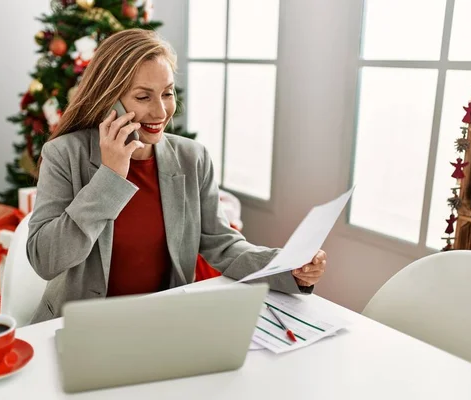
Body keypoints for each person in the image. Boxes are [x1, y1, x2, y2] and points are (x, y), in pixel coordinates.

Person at [26, 28, 327, 324]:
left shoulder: (192, 158)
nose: (161, 111)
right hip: (80, 330)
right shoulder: (64, 155)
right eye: (143, 97)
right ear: (110, 100)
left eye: (167, 93)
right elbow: (46, 260)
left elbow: (222, 244)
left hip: (165, 326)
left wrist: (286, 267)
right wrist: (110, 177)